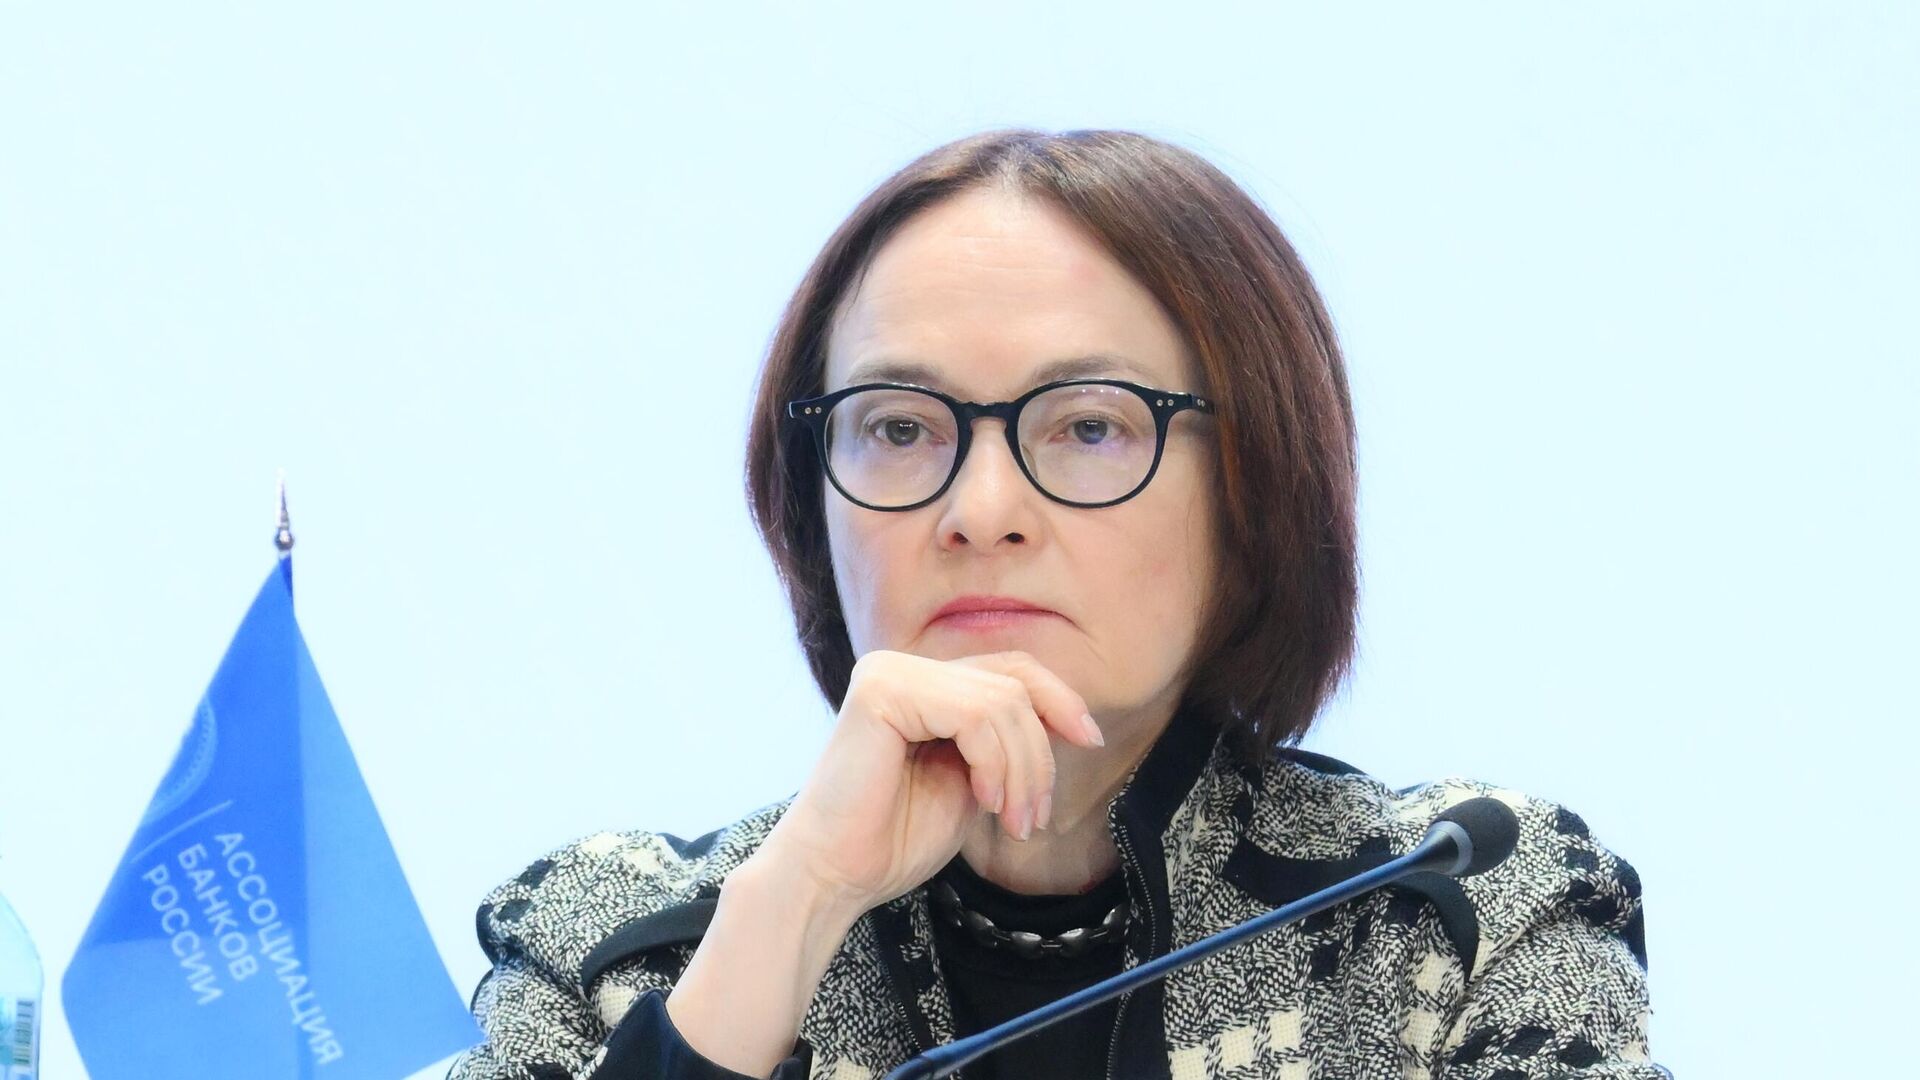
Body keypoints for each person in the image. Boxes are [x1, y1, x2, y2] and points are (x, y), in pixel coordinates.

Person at [446, 129, 1665, 1080]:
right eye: (899, 429)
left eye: (1087, 426)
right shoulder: (610, 946)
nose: (981, 510)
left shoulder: (1462, 910)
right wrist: (794, 908)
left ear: (1254, 491)